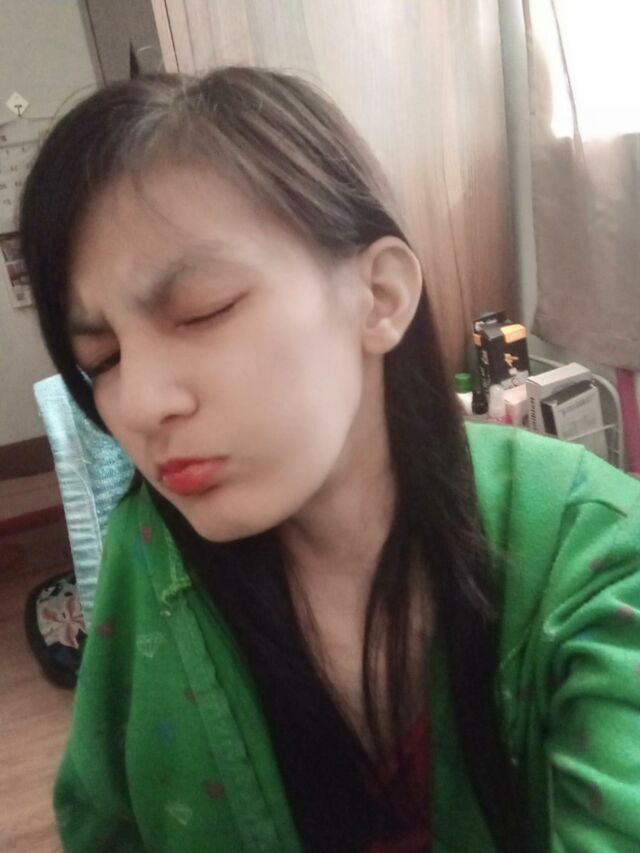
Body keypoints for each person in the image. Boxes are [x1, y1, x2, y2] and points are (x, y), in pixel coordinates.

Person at [20, 67, 640, 853]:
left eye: (202, 311)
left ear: (379, 296)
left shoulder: (594, 553)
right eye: (102, 359)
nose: (139, 404)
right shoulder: (146, 555)